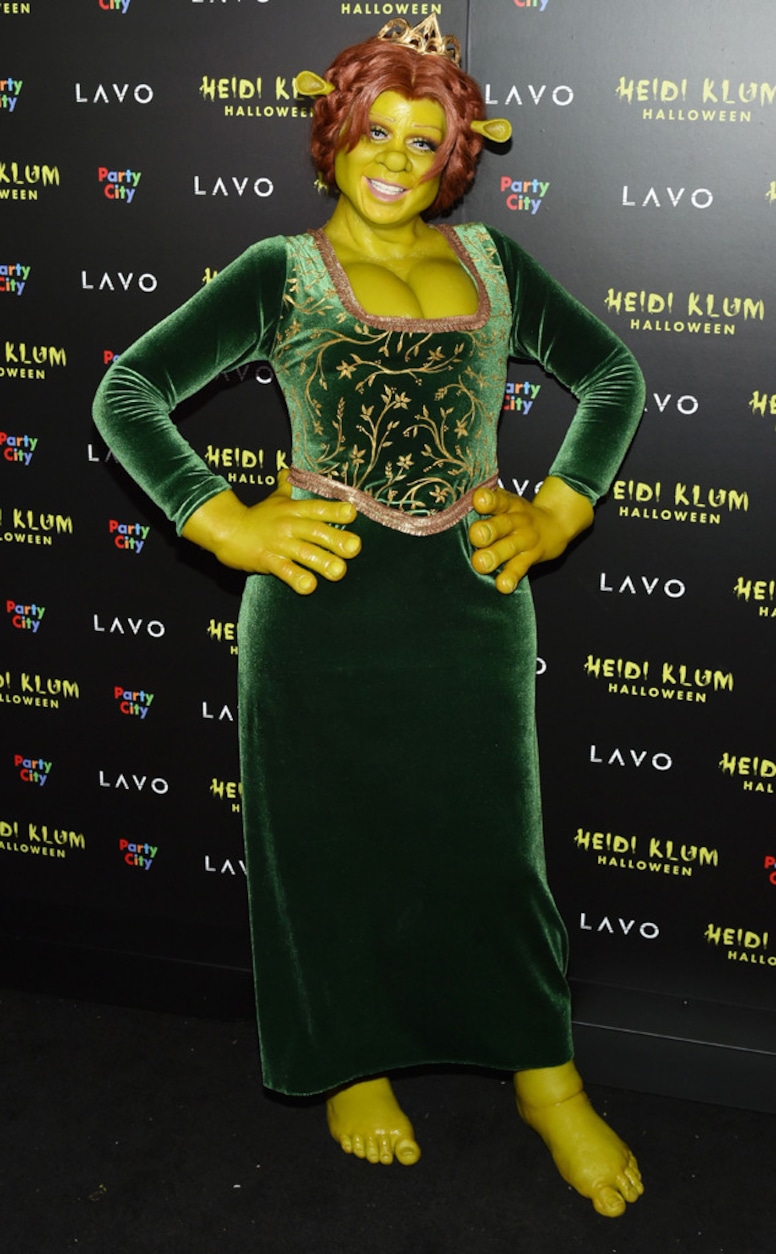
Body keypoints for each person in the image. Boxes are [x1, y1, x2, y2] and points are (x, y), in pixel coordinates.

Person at [93, 17, 645, 1218]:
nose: (394, 158)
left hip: (472, 603)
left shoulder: (495, 263)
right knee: (327, 846)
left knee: (495, 851)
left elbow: (611, 376)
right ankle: (351, 1063)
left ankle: (545, 1078)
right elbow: (127, 391)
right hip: (318, 612)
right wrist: (222, 523)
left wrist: (558, 510)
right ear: (333, 134)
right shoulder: (278, 271)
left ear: (456, 153)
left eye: (422, 138)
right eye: (374, 130)